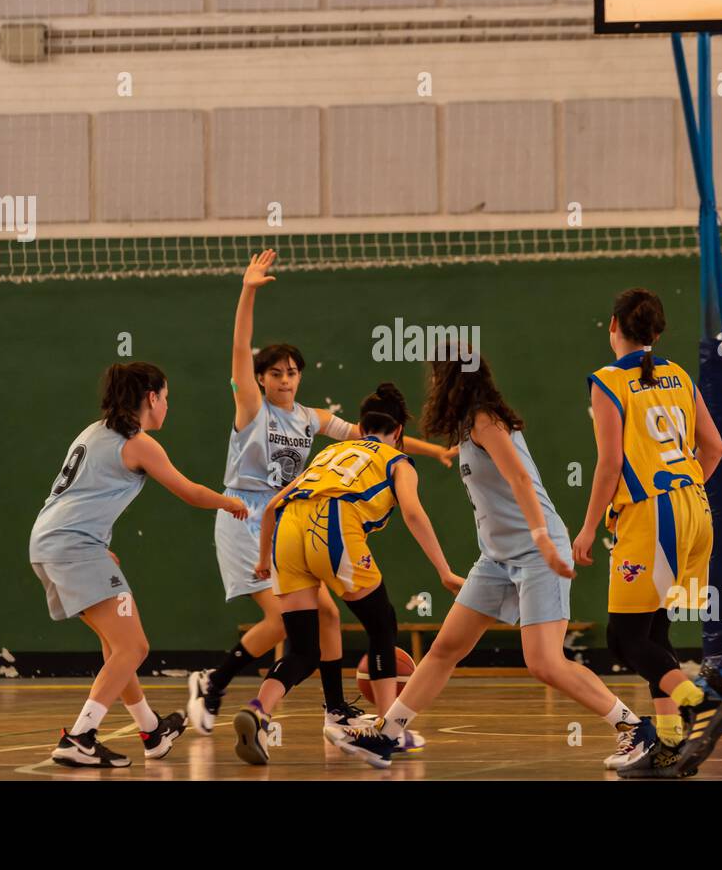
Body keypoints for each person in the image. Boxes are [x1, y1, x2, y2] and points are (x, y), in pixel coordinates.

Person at [187, 250, 456, 738]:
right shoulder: (251, 407)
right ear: (261, 380)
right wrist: (248, 291)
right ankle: (214, 681)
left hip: (289, 514)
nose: (285, 379)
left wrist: (432, 451)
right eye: (276, 373)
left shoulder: (309, 417)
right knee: (285, 624)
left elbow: (372, 434)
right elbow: (239, 346)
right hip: (245, 511)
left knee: (325, 615)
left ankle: (333, 709)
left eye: (292, 372)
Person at [361, 354, 656, 771]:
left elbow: (519, 478)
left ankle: (634, 727)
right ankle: (388, 733)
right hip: (496, 558)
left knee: (544, 663)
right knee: (445, 648)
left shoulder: (486, 421)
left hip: (538, 551)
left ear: (448, 379)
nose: (432, 385)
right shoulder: (467, 429)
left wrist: (543, 540)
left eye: (435, 375)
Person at [232, 383, 465, 768]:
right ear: (399, 434)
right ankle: (389, 728)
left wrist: (263, 560)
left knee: (305, 649)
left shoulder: (330, 451)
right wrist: (444, 570)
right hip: (334, 526)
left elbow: (273, 506)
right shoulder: (397, 461)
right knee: (382, 623)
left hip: (287, 531)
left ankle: (259, 711)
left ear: (361, 426)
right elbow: (412, 513)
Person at [31, 362, 248, 768]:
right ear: (151, 398)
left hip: (49, 542)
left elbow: (80, 495)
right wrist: (230, 502)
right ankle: (79, 737)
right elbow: (190, 492)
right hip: (72, 546)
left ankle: (151, 731)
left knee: (118, 646)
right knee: (134, 646)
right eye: (166, 398)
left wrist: (96, 546)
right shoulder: (138, 442)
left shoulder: (93, 432)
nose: (168, 406)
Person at [574, 287, 722, 779]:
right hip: (694, 508)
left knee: (623, 639)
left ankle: (699, 702)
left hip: (654, 515)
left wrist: (585, 529)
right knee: (653, 631)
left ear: (613, 326)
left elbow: (609, 463)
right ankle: (666, 748)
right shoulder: (680, 375)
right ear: (658, 333)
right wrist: (684, 491)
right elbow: (715, 449)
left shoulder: (607, 381)